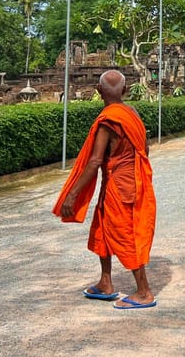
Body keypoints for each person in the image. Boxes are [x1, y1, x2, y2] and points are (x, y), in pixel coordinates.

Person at [52, 69, 157, 309]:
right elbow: (146, 149)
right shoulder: (132, 114)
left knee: (125, 233)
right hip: (124, 182)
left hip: (120, 186)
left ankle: (144, 292)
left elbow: (95, 161)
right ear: (125, 90)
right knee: (102, 228)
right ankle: (105, 282)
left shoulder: (109, 121)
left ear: (98, 92)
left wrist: (73, 194)